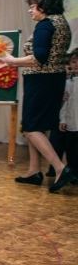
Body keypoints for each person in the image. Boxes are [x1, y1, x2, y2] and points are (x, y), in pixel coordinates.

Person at [0, 0, 76, 193]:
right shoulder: (62, 23)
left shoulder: (45, 25)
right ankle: (34, 171)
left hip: (41, 80)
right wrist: (12, 63)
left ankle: (60, 168)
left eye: (32, 6)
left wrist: (11, 61)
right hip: (53, 79)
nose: (30, 10)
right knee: (37, 126)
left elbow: (39, 58)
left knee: (31, 127)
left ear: (43, 6)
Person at [46, 52, 71, 177]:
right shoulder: (56, 83)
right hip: (57, 119)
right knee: (55, 144)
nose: (68, 71)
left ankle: (71, 171)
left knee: (71, 147)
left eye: (70, 69)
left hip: (71, 120)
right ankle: (53, 170)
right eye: (66, 69)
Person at [59, 48, 78, 177]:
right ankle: (72, 174)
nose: (76, 64)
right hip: (71, 124)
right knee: (71, 150)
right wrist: (63, 120)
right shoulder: (67, 83)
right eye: (74, 61)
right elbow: (64, 104)